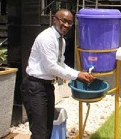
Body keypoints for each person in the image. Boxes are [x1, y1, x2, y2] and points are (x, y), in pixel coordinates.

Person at [20, 9, 95, 139]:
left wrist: (78, 73)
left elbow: (60, 64)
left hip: (47, 86)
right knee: (39, 133)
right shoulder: (46, 38)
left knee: (48, 129)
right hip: (34, 87)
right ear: (54, 19)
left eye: (69, 23)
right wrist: (76, 76)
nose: (66, 25)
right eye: (63, 21)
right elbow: (51, 67)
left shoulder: (61, 41)